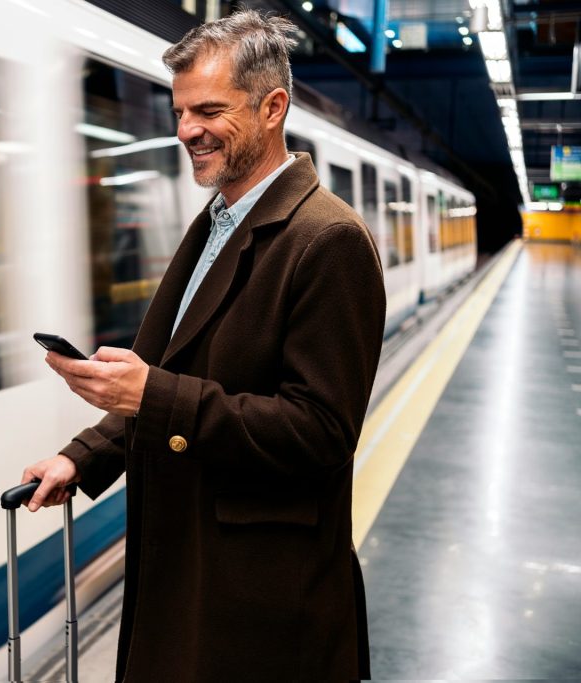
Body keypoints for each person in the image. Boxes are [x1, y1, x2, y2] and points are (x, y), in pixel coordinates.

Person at [21, 9, 385, 680]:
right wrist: (84, 456)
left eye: (210, 109)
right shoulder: (216, 221)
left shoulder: (327, 240)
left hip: (260, 603)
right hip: (189, 569)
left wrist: (154, 395)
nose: (187, 129)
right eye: (181, 110)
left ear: (272, 107)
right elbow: (170, 367)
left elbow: (322, 432)